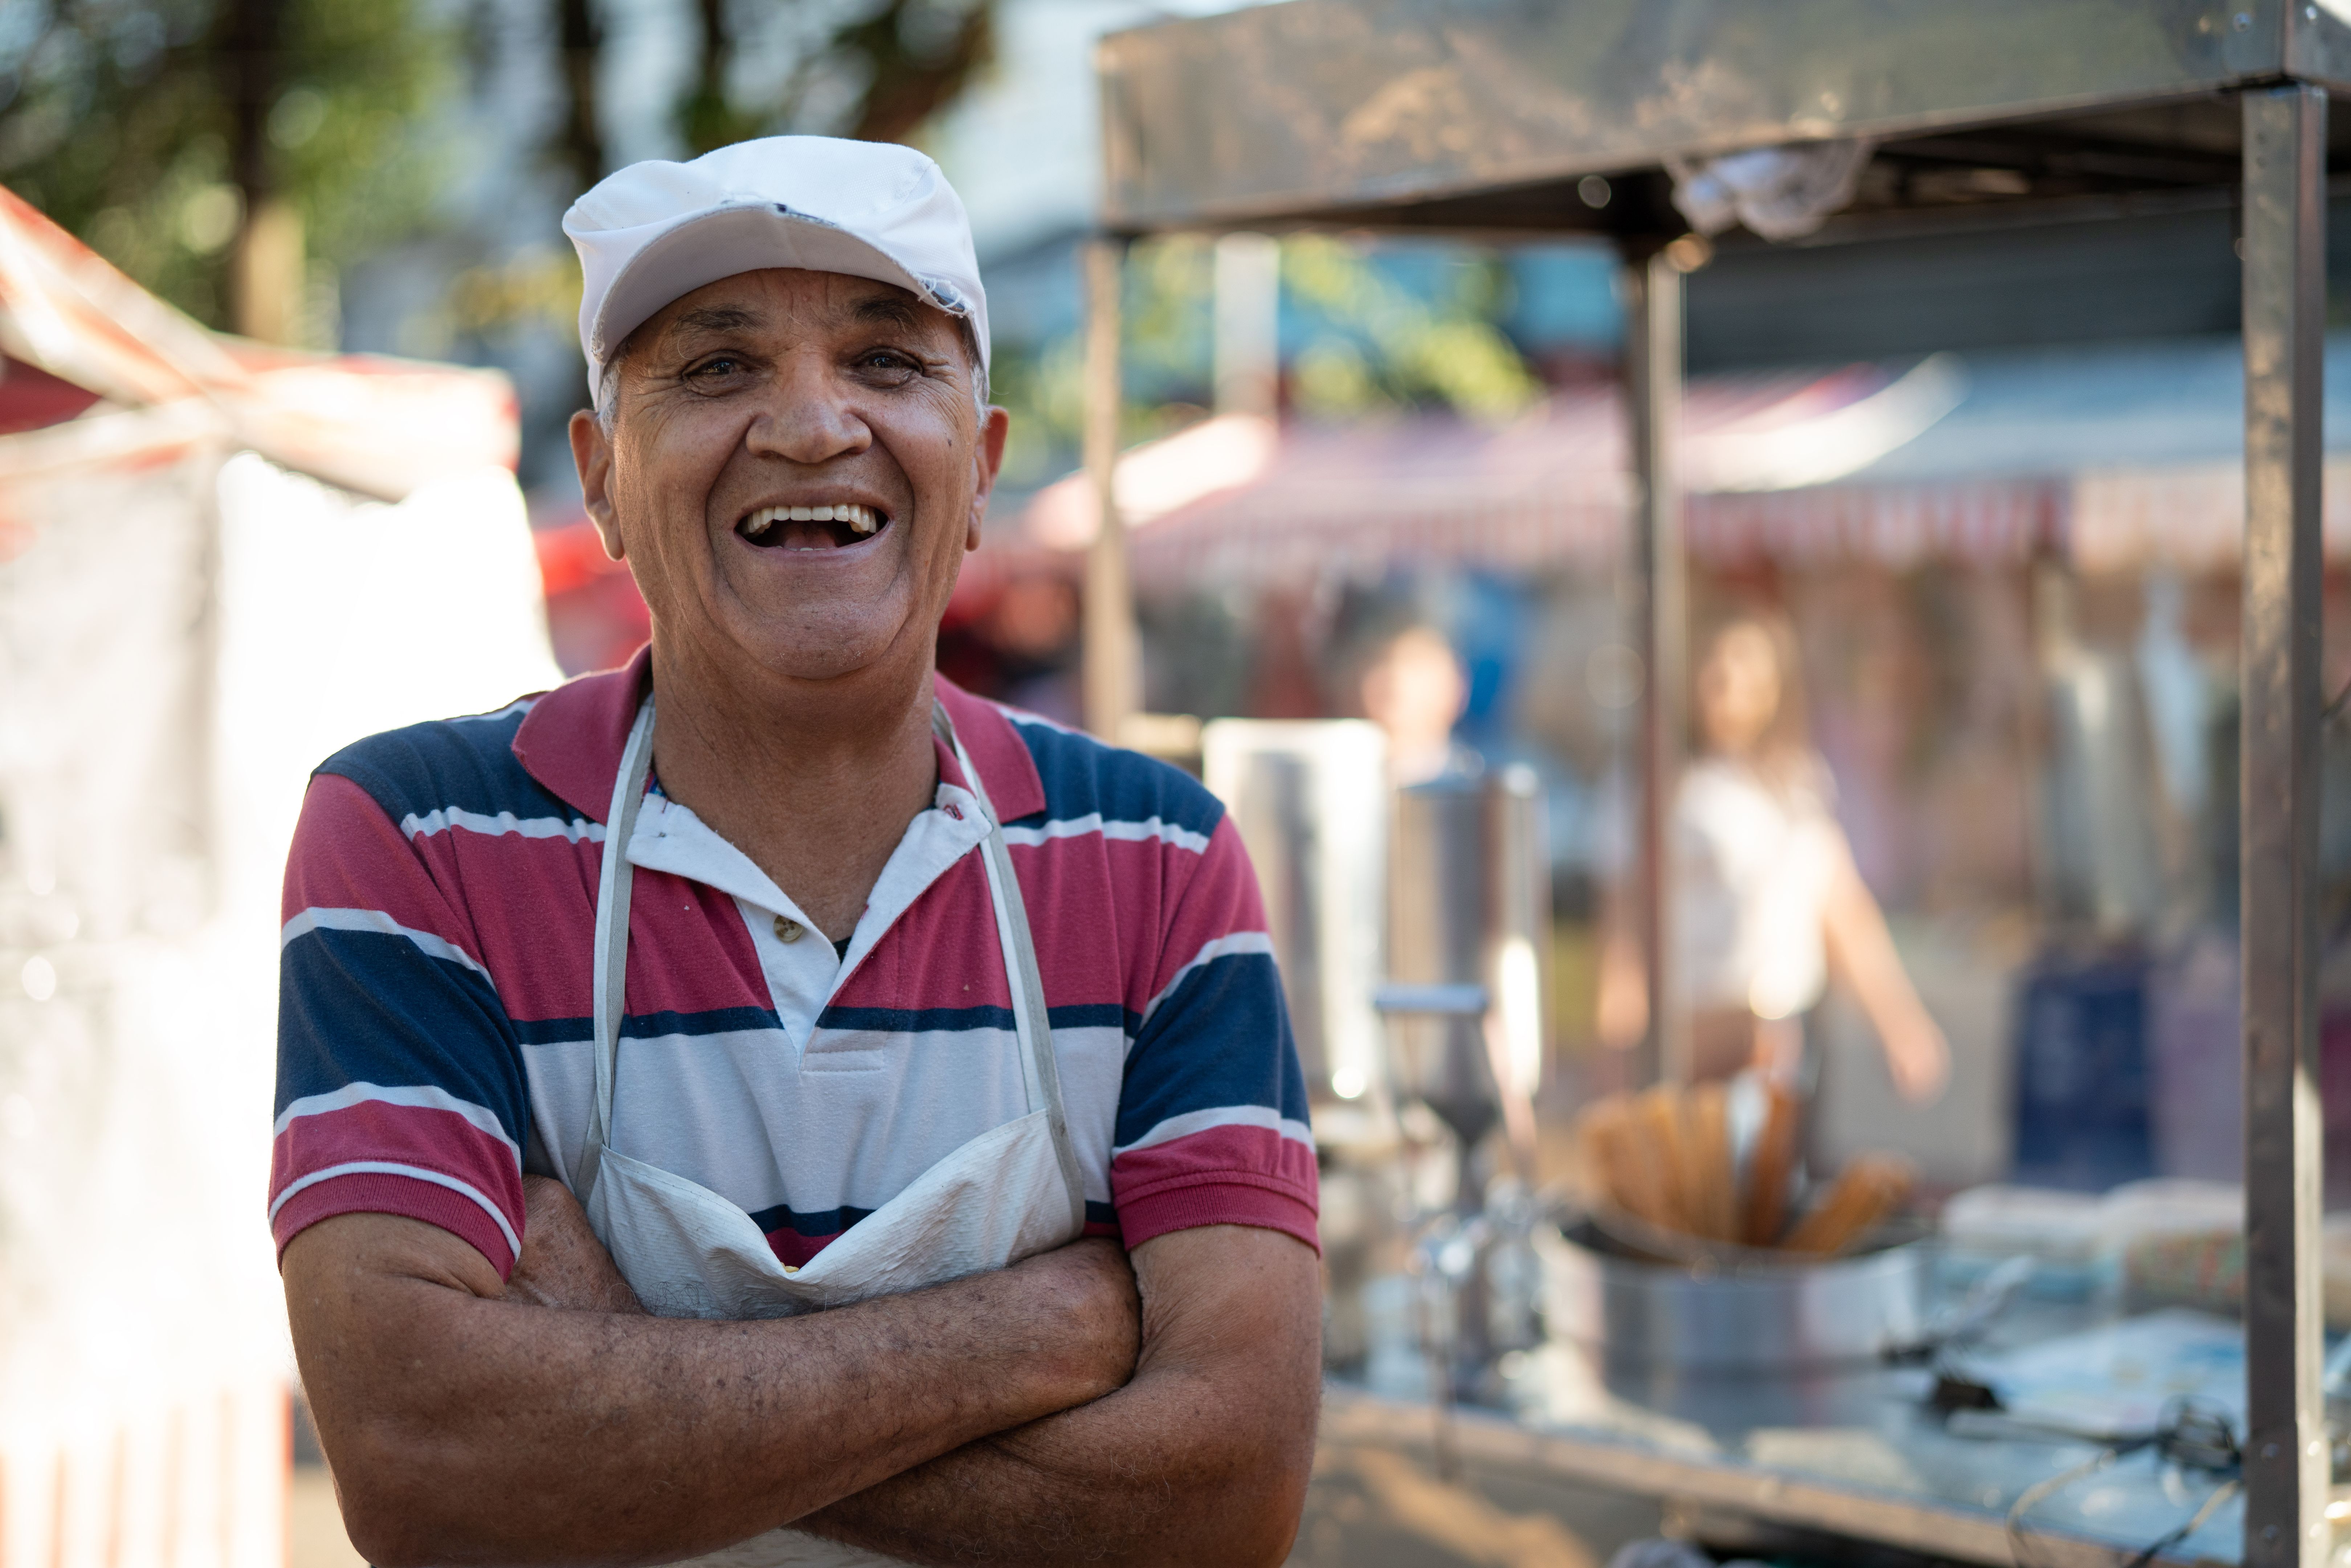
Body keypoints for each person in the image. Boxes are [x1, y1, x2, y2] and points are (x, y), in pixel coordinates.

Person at [271, 137, 1320, 1568]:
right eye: (714, 370)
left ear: (984, 464)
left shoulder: (1152, 859)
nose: (813, 425)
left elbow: (1231, 1496)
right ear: (598, 477)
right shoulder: (420, 839)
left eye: (887, 362)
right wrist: (1031, 1330)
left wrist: (611, 1379)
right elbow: (423, 1470)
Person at [1598, 608, 1950, 1101]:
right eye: (1718, 668)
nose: (1730, 687)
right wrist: (1619, 1041)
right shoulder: (1659, 787)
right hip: (1700, 1036)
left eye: (1748, 672)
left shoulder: (1797, 784)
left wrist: (1898, 1022)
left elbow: (1842, 911)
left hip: (1786, 1034)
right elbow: (1624, 922)